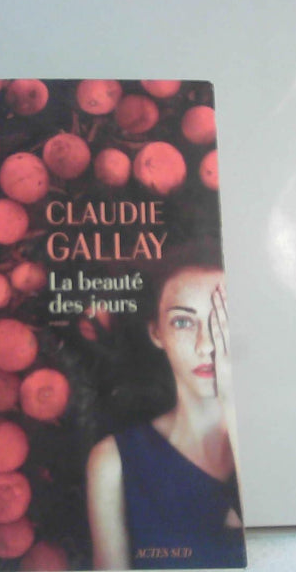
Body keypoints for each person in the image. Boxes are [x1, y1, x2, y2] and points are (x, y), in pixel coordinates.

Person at [86, 240, 246, 570]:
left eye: (222, 320)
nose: (206, 345)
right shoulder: (114, 462)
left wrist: (234, 404)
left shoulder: (285, 440)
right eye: (183, 322)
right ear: (157, 333)